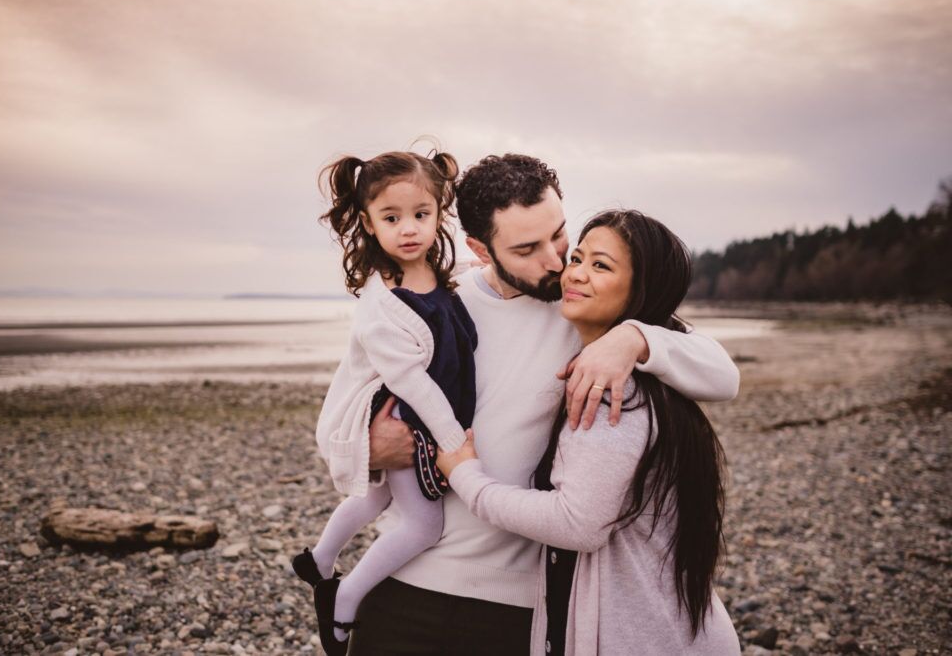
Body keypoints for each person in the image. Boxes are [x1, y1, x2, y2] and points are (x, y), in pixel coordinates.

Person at [333, 153, 740, 655]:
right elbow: (336, 421)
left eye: (560, 236)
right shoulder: (430, 297)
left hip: (522, 605)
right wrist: (367, 444)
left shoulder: (582, 309)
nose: (555, 261)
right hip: (405, 579)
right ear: (481, 249)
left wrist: (634, 339)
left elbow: (723, 376)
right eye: (527, 248)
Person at [437, 209, 741, 655]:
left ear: (642, 290)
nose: (574, 273)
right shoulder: (650, 373)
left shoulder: (611, 391)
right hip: (665, 627)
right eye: (577, 258)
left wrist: (468, 478)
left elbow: (576, 523)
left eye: (601, 266)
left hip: (645, 638)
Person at [292, 149, 477, 655]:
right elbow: (414, 384)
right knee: (424, 523)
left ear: (440, 214)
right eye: (391, 218)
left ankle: (319, 558)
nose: (409, 229)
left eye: (421, 215)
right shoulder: (382, 306)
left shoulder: (437, 269)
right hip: (406, 418)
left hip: (417, 414)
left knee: (375, 498)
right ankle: (345, 601)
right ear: (370, 225)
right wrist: (454, 440)